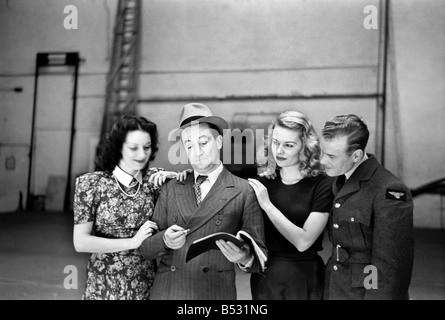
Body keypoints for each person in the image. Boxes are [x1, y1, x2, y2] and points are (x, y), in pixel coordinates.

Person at [140, 103, 268, 300]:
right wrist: (164, 239)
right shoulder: (172, 188)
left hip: (214, 293)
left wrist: (244, 257)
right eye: (189, 145)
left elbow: (259, 256)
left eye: (203, 142)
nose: (197, 151)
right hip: (169, 292)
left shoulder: (244, 191)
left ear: (218, 143)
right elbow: (146, 249)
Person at [73, 114, 188, 300]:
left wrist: (181, 176)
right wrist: (133, 241)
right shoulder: (91, 184)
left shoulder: (156, 181)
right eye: (133, 148)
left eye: (147, 147)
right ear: (118, 147)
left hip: (146, 284)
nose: (142, 155)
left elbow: (191, 189)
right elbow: (81, 242)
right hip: (104, 286)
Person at [320, 114, 414, 300]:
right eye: (322, 152)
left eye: (330, 156)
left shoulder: (389, 190)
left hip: (363, 293)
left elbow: (391, 266)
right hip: (337, 286)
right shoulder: (342, 179)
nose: (322, 161)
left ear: (356, 155)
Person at [247, 110, 334, 300]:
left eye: (288, 145)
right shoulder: (264, 182)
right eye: (276, 142)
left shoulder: (323, 184)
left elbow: (303, 242)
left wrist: (267, 205)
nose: (279, 151)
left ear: (305, 146)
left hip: (304, 276)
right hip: (265, 276)